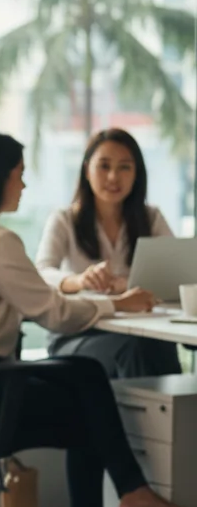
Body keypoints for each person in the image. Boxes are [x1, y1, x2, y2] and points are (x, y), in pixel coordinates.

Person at [0, 131, 195, 507]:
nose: (24, 186)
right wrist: (116, 303)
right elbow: (53, 313)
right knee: (90, 404)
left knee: (86, 374)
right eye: (20, 176)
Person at [36, 127, 180, 377]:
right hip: (79, 333)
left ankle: (174, 416)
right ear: (86, 169)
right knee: (135, 349)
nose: (114, 177)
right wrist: (77, 281)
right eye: (104, 166)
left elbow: (176, 274)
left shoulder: (151, 218)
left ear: (137, 174)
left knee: (160, 347)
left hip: (141, 330)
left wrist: (129, 284)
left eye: (125, 167)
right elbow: (40, 273)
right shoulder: (65, 219)